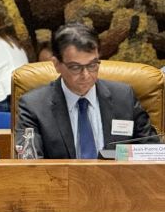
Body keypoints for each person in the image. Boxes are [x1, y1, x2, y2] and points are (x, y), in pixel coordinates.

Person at [16, 23, 157, 159]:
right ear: (56, 64)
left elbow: (152, 152)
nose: (86, 75)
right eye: (75, 67)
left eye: (92, 65)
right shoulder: (34, 106)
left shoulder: (124, 97)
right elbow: (30, 165)